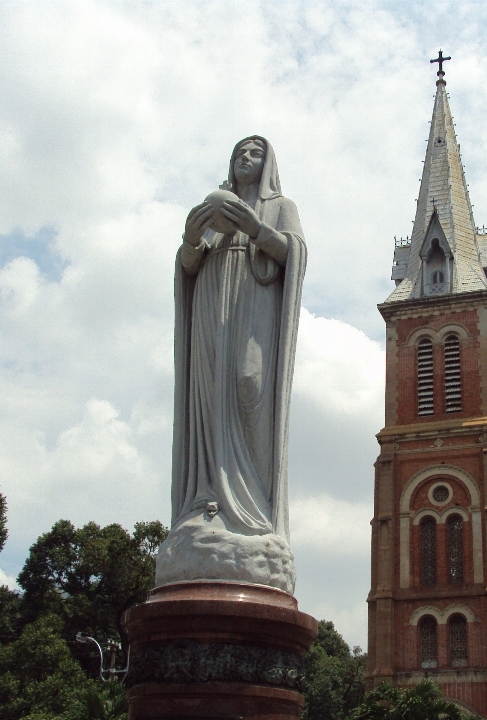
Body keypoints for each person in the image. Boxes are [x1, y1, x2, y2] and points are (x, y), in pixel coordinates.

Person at [155, 136, 306, 593]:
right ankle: (206, 502)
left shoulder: (280, 206)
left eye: (255, 152)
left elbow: (294, 255)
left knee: (248, 385)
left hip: (252, 305)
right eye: (239, 151)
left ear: (268, 164)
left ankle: (254, 513)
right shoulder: (210, 209)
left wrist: (256, 228)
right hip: (210, 310)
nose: (245, 158)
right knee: (209, 399)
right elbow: (187, 265)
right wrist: (190, 240)